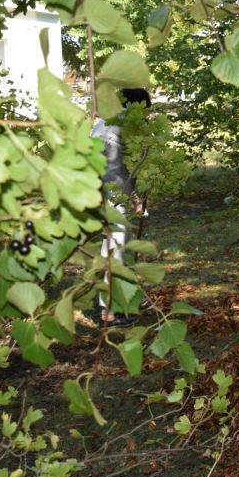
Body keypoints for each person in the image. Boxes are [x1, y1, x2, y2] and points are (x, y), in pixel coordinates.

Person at [91, 87, 151, 326]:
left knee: (114, 249)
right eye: (146, 108)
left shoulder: (104, 122)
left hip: (98, 192)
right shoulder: (119, 126)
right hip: (113, 195)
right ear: (136, 106)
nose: (148, 114)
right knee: (114, 251)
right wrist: (135, 198)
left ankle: (121, 302)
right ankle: (108, 312)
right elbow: (115, 169)